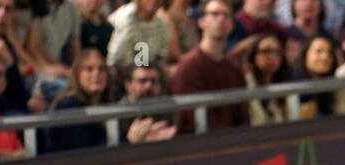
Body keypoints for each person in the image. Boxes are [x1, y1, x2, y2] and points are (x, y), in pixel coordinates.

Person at [167, 0, 248, 132]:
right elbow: (193, 119)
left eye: (226, 15)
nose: (221, 19)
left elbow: (243, 116)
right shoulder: (188, 68)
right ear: (201, 22)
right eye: (215, 14)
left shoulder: (234, 70)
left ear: (232, 24)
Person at [106, 0, 169, 75]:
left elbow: (161, 56)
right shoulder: (125, 18)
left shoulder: (160, 23)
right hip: (122, 75)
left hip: (148, 73)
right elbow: (117, 61)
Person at [243, 31, 289, 122]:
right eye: (266, 51)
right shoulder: (244, 84)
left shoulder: (284, 85)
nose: (272, 57)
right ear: (254, 55)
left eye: (277, 52)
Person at [294, 32, 336, 116]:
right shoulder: (293, 86)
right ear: (305, 54)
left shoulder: (332, 87)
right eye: (318, 51)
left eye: (329, 53)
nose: (325, 57)